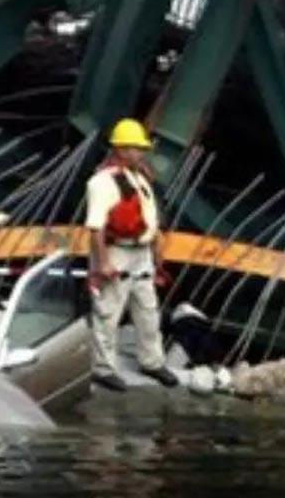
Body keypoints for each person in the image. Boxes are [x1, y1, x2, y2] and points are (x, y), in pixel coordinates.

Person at [84, 118, 178, 391]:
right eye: (137, 148)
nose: (141, 153)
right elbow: (96, 227)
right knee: (108, 312)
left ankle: (152, 361)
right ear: (121, 149)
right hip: (117, 252)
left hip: (141, 253)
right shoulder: (103, 182)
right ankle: (103, 368)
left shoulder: (138, 178)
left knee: (148, 310)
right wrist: (103, 262)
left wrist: (156, 251)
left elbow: (149, 218)